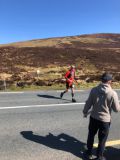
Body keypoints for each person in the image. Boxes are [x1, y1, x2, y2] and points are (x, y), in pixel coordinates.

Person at [83, 73, 120, 160]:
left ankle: (88, 153)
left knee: (91, 135)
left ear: (102, 80)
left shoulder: (94, 90)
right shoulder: (113, 93)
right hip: (105, 120)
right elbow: (116, 110)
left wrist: (85, 112)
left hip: (93, 117)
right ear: (110, 81)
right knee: (102, 139)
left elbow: (88, 103)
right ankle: (99, 156)